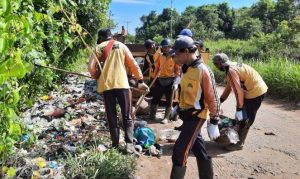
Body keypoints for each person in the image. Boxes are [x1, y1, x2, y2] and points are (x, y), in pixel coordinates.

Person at [88, 28, 149, 154]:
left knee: (111, 117)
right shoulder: (121, 46)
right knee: (127, 115)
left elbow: (91, 68)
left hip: (106, 86)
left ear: (100, 38)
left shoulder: (98, 48)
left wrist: (96, 76)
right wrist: (140, 80)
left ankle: (115, 144)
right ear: (111, 36)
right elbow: (133, 63)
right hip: (122, 84)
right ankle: (129, 144)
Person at [170, 36, 220, 179]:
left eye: (178, 54)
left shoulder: (202, 70)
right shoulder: (185, 68)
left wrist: (214, 121)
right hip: (186, 114)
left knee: (180, 152)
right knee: (199, 149)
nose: (176, 57)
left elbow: (213, 97)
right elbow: (185, 91)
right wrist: (177, 107)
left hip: (196, 116)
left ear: (187, 51)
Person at [212, 53, 268, 151]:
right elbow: (229, 87)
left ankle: (239, 144)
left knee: (245, 119)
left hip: (255, 92)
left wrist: (239, 108)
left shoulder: (231, 71)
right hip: (253, 89)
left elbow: (238, 92)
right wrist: (220, 101)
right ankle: (235, 140)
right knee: (242, 117)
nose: (216, 67)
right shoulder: (231, 67)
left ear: (219, 64)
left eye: (216, 64)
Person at [150, 38, 180, 124]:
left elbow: (177, 70)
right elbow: (157, 68)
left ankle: (166, 117)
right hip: (160, 80)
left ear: (170, 47)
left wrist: (176, 82)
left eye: (166, 47)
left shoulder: (174, 57)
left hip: (170, 80)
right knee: (155, 98)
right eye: (163, 47)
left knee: (169, 100)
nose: (164, 49)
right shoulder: (160, 56)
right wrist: (154, 78)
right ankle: (152, 115)